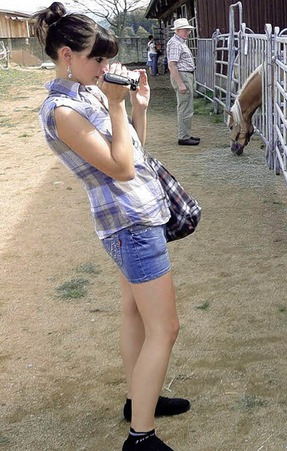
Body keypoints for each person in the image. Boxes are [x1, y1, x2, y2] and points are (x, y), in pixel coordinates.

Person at [32, 3, 190, 450]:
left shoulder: (86, 94)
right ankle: (141, 437)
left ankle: (140, 400)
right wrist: (117, 107)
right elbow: (120, 170)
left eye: (105, 59)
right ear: (67, 55)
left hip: (136, 216)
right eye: (96, 59)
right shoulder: (62, 110)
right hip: (130, 223)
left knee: (135, 313)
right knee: (166, 327)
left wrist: (136, 107)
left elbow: (134, 151)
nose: (104, 67)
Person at [166, 18, 200, 146]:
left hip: (186, 75)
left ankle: (186, 134)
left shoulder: (179, 42)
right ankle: (184, 137)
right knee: (185, 107)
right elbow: (172, 65)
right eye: (186, 30)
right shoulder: (175, 43)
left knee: (186, 106)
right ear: (178, 30)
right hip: (182, 75)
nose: (188, 32)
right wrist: (180, 83)